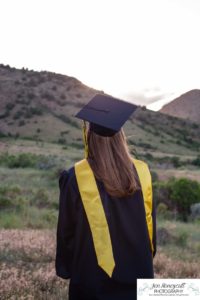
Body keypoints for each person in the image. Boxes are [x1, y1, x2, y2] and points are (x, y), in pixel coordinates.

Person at [55, 93, 157, 300]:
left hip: (92, 281)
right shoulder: (142, 172)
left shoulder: (75, 177)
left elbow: (67, 232)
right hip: (138, 276)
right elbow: (149, 225)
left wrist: (66, 266)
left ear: (89, 135)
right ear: (121, 136)